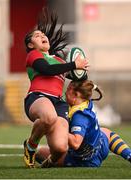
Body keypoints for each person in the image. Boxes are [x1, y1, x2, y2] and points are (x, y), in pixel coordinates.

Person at [23, 7, 89, 168]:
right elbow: (46, 70)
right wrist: (73, 64)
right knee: (48, 117)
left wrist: (81, 70)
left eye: (43, 34)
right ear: (31, 45)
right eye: (37, 36)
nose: (42, 36)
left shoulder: (59, 60)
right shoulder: (34, 55)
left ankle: (47, 165)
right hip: (38, 97)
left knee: (60, 148)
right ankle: (31, 146)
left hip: (59, 102)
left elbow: (77, 78)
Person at [36, 80, 131, 168]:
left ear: (76, 95)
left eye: (67, 91)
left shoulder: (79, 116)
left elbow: (76, 143)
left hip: (84, 159)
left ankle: (53, 163)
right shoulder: (86, 102)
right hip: (100, 146)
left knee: (41, 153)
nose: (65, 93)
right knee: (106, 131)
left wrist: (59, 128)